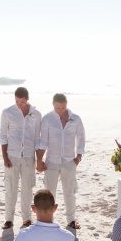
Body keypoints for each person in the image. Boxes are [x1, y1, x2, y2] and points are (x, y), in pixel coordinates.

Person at [37, 93, 86, 230]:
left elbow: (81, 138)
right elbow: (43, 141)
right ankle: (48, 220)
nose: (61, 110)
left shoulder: (75, 119)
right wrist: (39, 160)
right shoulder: (47, 119)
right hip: (51, 161)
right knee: (49, 193)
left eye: (63, 107)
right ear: (53, 105)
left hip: (69, 161)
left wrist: (78, 156)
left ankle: (71, 220)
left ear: (66, 104)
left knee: (69, 191)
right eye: (58, 107)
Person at [0, 86, 43, 229]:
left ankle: (26, 219)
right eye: (17, 101)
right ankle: (8, 220)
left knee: (27, 189)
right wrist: (5, 157)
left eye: (22, 102)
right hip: (12, 156)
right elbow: (3, 136)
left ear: (27, 99)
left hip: (29, 157)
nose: (19, 104)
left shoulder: (36, 114)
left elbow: (38, 139)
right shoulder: (7, 112)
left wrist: (39, 160)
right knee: (10, 188)